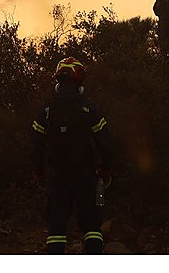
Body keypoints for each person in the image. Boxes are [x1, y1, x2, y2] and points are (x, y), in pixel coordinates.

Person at [31, 57, 113, 254]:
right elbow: (104, 141)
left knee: (56, 228)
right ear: (80, 84)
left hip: (57, 175)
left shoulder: (47, 109)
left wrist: (39, 172)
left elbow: (36, 144)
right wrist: (106, 168)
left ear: (58, 83)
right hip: (86, 174)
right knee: (91, 224)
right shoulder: (88, 107)